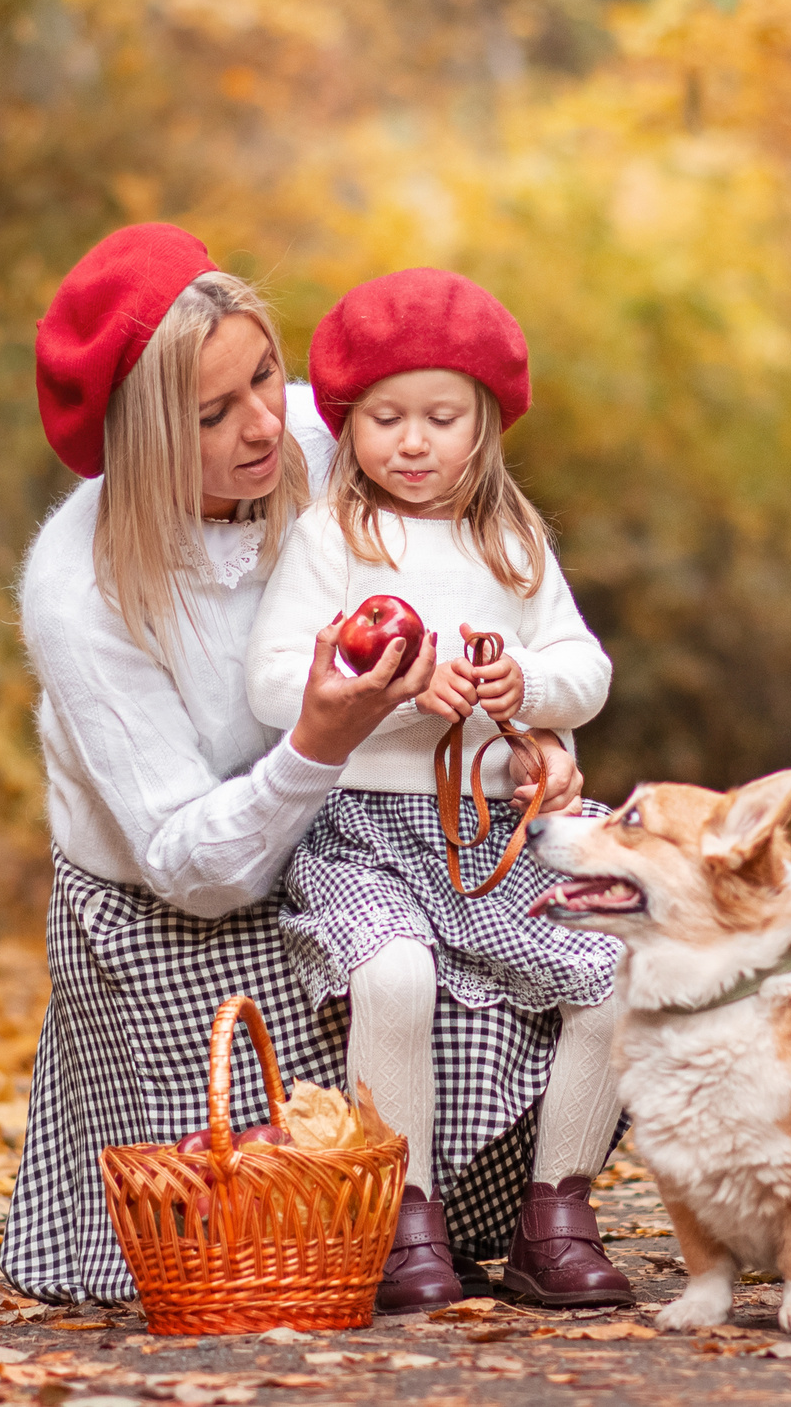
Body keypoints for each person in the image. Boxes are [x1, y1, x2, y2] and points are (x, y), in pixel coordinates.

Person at [1, 226, 590, 1304]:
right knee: (243, 1224)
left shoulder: (335, 434)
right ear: (140, 442)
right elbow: (190, 864)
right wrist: (318, 737)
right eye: (211, 414)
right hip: (181, 909)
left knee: (540, 945)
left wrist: (535, 736)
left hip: (359, 842)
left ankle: (443, 1224)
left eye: (266, 374)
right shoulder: (79, 592)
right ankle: (364, 1230)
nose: (268, 424)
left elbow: (493, 591)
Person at [246, 268, 632, 1310]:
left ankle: (557, 1216)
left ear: (486, 425)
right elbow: (272, 676)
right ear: (347, 423)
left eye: (440, 417)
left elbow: (584, 671)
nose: (410, 443)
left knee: (615, 966)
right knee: (395, 978)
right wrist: (396, 687)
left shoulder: (511, 543)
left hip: (489, 834)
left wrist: (525, 685)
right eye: (383, 418)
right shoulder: (335, 538)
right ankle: (402, 1220)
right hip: (364, 831)